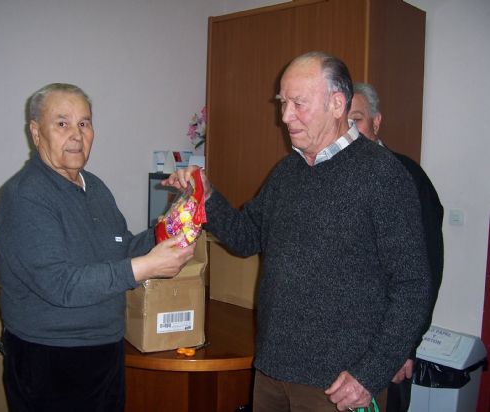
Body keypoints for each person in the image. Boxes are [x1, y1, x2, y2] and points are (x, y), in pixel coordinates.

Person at [163, 51, 433, 412]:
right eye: (283, 103)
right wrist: (207, 196)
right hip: (273, 371)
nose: (285, 116)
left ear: (337, 104)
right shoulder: (286, 172)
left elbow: (413, 286)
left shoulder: (383, 175)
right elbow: (246, 237)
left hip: (338, 385)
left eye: (298, 104)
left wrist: (371, 372)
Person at [0, 83, 195, 412]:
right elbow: (61, 284)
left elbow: (123, 248)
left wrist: (177, 218)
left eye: (84, 123)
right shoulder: (24, 196)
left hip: (106, 351)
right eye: (62, 123)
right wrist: (146, 267)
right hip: (50, 359)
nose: (76, 134)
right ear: (35, 132)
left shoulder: (95, 186)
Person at [350, 82, 444, 412]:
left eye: (357, 119)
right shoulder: (339, 177)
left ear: (376, 122)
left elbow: (425, 273)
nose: (349, 130)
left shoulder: (407, 178)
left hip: (387, 346)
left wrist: (406, 346)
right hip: (343, 346)